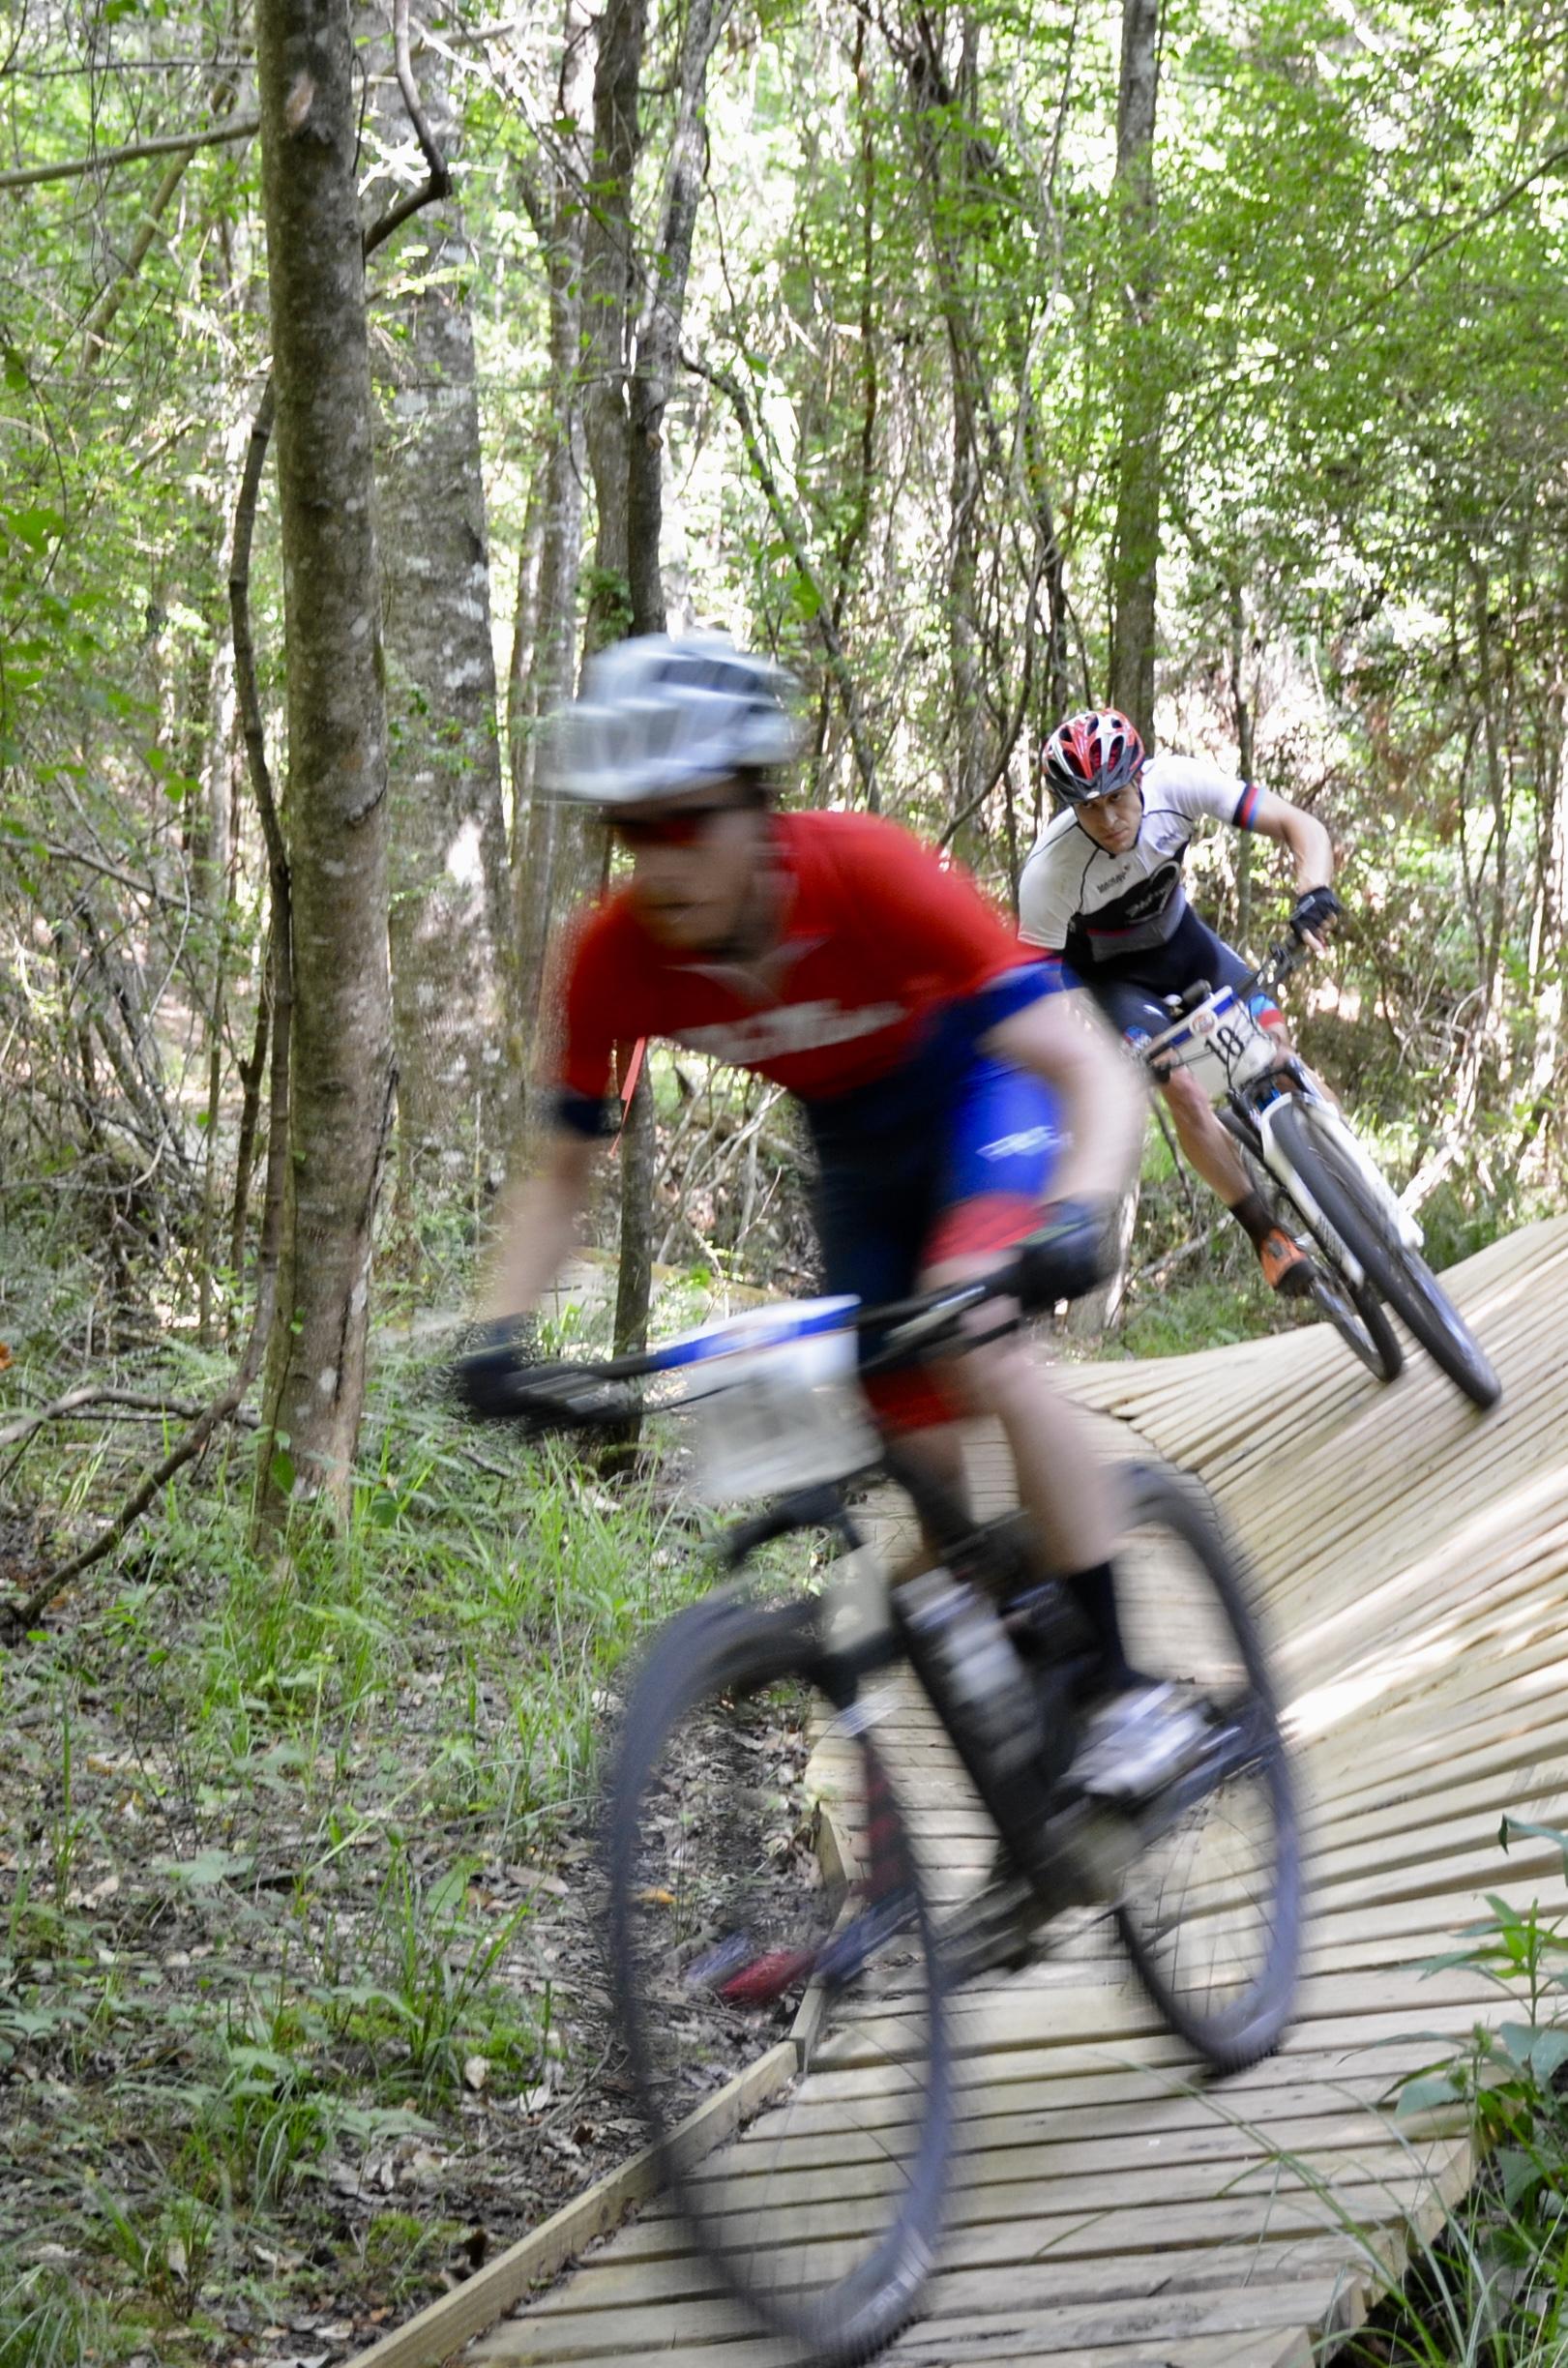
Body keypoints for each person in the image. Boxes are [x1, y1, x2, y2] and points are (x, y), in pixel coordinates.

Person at [457, 633, 1199, 1803]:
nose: (658, 860)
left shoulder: (867, 872)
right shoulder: (612, 957)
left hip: (980, 1092)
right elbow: (563, 1167)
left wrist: (1071, 1212)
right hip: (854, 1151)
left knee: (985, 1351)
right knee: (917, 1467)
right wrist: (496, 1337)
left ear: (755, 805)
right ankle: (1016, 1734)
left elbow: (1084, 1066)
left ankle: (1128, 1692)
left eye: (685, 818)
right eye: (628, 828)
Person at [1018, 707, 1341, 1294]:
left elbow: (1302, 826)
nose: (1110, 818)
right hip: (1115, 984)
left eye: (1118, 796)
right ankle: (1266, 1234)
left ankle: (1348, 1182)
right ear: (1069, 807)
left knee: (1280, 1054)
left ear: (1139, 777)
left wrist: (1314, 890)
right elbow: (1034, 991)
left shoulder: (1178, 782)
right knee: (1181, 1088)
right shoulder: (1049, 873)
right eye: (1089, 807)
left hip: (1186, 944)